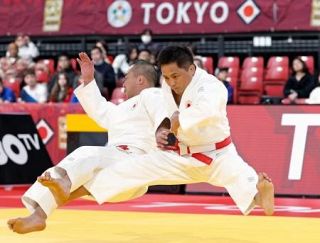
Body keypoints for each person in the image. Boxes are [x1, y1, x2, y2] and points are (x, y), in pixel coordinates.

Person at [25, 46, 274, 222]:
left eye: (175, 75)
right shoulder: (161, 89)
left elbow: (203, 112)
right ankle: (54, 200)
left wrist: (172, 125)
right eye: (166, 76)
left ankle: (260, 196)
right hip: (179, 157)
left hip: (217, 152)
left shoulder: (211, 87)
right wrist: (164, 130)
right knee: (115, 173)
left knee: (240, 176)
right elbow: (115, 114)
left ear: (192, 68)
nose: (171, 82)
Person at [7, 54, 166, 234]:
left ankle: (65, 185)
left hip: (137, 163)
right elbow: (99, 109)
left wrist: (163, 130)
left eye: (126, 78)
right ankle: (39, 215)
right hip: (114, 173)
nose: (123, 83)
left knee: (86, 154)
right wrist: (89, 80)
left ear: (140, 80)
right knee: (57, 174)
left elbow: (165, 114)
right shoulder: (121, 109)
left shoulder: (153, 94)